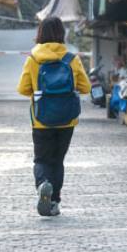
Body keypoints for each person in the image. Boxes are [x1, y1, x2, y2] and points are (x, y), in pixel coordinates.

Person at [17, 16, 90, 217]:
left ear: (40, 33)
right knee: (58, 161)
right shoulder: (72, 59)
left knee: (42, 159)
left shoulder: (33, 59)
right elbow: (86, 87)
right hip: (67, 119)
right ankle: (55, 202)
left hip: (41, 120)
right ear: (62, 34)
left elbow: (23, 89)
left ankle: (43, 184)